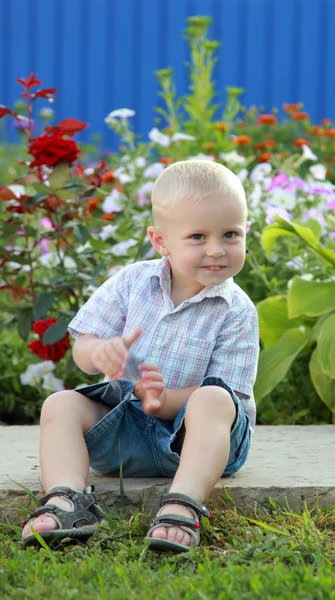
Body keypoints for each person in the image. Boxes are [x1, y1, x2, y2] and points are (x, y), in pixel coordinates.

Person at [22, 159, 260, 552]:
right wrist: (101, 352)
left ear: (245, 232)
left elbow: (231, 398)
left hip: (197, 441)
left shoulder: (236, 309)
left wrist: (167, 401)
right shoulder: (133, 283)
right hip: (127, 428)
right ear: (161, 241)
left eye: (230, 234)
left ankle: (182, 504)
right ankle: (66, 499)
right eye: (198, 236)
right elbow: (83, 349)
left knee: (215, 398)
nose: (216, 250)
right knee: (61, 404)